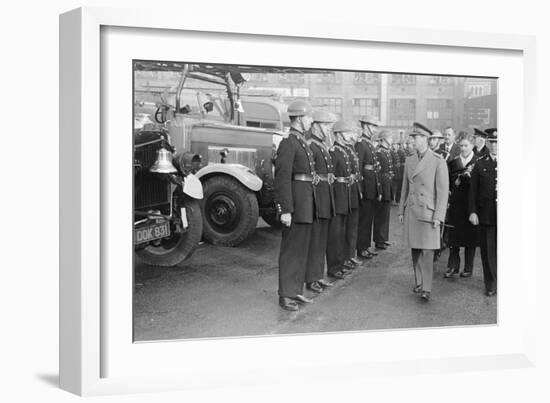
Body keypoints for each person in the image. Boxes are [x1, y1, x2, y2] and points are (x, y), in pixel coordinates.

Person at [398, 122, 449, 301]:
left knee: (428, 252)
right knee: (416, 250)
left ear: (425, 139)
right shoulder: (409, 159)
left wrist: (439, 216)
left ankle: (426, 287)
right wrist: (401, 211)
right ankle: (418, 281)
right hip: (412, 210)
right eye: (413, 137)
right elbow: (404, 187)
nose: (413, 140)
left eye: (416, 137)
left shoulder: (437, 160)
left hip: (428, 213)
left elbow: (442, 192)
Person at [274, 99, 317, 311]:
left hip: (306, 204)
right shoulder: (288, 143)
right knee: (291, 251)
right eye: (308, 117)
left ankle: (296, 289)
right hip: (296, 206)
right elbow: (282, 178)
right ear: (299, 118)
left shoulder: (301, 142)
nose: (311, 121)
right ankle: (286, 294)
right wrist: (286, 210)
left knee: (301, 250)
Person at [305, 110, 337, 293]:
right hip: (317, 199)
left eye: (329, 126)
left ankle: (318, 275)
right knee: (315, 241)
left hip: (326, 197)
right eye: (325, 125)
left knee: (321, 240)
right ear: (316, 125)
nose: (328, 129)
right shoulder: (311, 145)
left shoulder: (321, 145)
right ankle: (311, 279)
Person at [444, 133, 480, 278]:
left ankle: (468, 267)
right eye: (461, 146)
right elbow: (448, 183)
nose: (463, 148)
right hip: (456, 204)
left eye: (466, 145)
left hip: (471, 205)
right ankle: (453, 266)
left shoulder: (478, 162)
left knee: (470, 237)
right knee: (454, 237)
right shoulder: (454, 162)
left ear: (472, 146)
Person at [468, 128, 498, 296]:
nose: (494, 146)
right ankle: (491, 283)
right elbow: (473, 191)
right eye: (492, 142)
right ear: (487, 142)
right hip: (486, 216)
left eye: (498, 143)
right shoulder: (480, 163)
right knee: (487, 252)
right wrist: (473, 211)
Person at [326, 120, 354, 280]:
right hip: (337, 197)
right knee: (335, 234)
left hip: (345, 195)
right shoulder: (334, 152)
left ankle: (340, 264)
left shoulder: (344, 151)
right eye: (347, 132)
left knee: (342, 232)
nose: (350, 136)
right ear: (339, 134)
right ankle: (333, 267)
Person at [355, 116, 382, 259]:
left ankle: (365, 246)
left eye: (375, 127)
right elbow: (358, 169)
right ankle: (361, 248)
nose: (374, 129)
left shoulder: (369, 144)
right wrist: (359, 188)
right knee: (364, 220)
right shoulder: (361, 144)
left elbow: (374, 169)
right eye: (372, 126)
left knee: (368, 219)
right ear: (365, 126)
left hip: (371, 188)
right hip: (365, 188)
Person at [342, 127, 363, 268]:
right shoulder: (340, 149)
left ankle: (350, 255)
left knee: (353, 227)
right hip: (347, 192)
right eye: (352, 132)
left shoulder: (350, 148)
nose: (354, 135)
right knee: (346, 228)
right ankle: (345, 257)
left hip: (354, 190)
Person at [373, 130, 394, 250]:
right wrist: (379, 190)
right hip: (383, 185)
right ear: (384, 139)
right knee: (381, 215)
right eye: (390, 137)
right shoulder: (379, 152)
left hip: (388, 184)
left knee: (386, 214)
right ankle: (379, 240)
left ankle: (383, 238)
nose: (391, 139)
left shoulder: (386, 151)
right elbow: (378, 173)